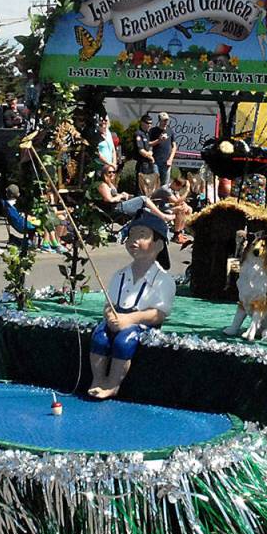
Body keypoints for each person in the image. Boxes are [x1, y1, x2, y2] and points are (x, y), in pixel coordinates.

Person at [87, 211, 175, 400]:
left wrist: (130, 319)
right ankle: (98, 379)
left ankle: (113, 384)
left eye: (141, 236)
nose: (133, 241)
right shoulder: (119, 275)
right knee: (100, 336)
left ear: (159, 244)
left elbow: (158, 314)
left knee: (124, 340)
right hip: (117, 318)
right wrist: (110, 315)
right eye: (131, 236)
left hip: (141, 324)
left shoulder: (163, 280)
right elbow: (109, 303)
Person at [95, 164, 174, 223]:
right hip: (117, 209)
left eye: (114, 172)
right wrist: (120, 196)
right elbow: (109, 199)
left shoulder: (110, 184)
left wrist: (123, 194)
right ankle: (163, 216)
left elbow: (113, 195)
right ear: (104, 173)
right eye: (109, 172)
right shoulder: (103, 185)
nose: (112, 174)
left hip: (119, 205)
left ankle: (158, 221)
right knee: (144, 199)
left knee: (144, 207)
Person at [151, 175, 193, 243]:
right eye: (179, 188)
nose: (179, 190)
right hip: (157, 208)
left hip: (167, 207)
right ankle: (176, 235)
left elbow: (179, 201)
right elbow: (177, 202)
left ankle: (180, 233)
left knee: (188, 209)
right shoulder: (166, 189)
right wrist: (187, 191)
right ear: (175, 184)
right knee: (180, 209)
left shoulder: (174, 189)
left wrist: (186, 206)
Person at [134, 112, 159, 197]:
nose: (149, 125)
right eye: (147, 123)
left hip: (148, 164)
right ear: (142, 123)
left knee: (149, 185)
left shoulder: (147, 134)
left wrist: (150, 153)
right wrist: (150, 157)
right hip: (142, 164)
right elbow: (141, 150)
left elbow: (149, 146)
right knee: (141, 186)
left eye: (151, 123)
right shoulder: (138, 134)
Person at [148, 112, 177, 187]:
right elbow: (148, 143)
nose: (165, 122)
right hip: (155, 161)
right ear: (159, 121)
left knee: (165, 185)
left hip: (166, 162)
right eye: (164, 120)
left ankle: (163, 198)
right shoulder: (153, 131)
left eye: (167, 120)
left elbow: (174, 146)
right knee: (155, 182)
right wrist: (159, 140)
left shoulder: (170, 131)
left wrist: (170, 159)